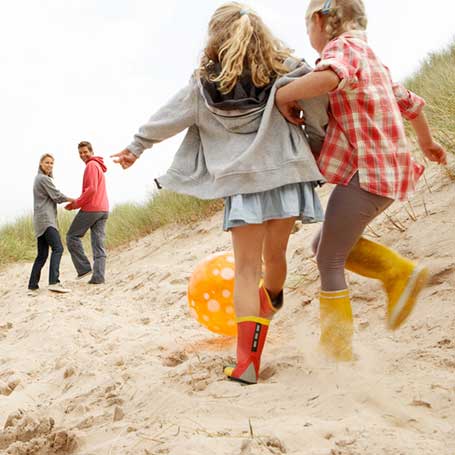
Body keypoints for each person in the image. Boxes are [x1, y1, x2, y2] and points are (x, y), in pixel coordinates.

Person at [112, 2, 328, 384]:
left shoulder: (202, 87)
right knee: (274, 257)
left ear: (214, 39)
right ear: (260, 35)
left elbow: (167, 117)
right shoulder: (288, 71)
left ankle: (246, 365)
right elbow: (318, 104)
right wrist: (315, 143)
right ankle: (273, 297)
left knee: (246, 269)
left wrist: (135, 146)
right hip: (287, 177)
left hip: (243, 186)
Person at [275, 0, 447, 361]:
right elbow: (412, 104)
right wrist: (428, 144)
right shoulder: (370, 57)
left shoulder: (342, 49)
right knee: (324, 247)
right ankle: (396, 272)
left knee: (330, 259)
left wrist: (283, 94)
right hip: (386, 171)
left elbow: (329, 77)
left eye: (308, 27)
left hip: (367, 174)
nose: (310, 37)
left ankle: (338, 351)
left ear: (321, 21)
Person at [28, 154, 73, 295]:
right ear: (40, 164)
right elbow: (57, 196)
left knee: (41, 255)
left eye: (52, 163)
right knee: (58, 248)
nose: (50, 165)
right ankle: (54, 282)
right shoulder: (43, 179)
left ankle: (32, 286)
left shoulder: (38, 179)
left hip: (39, 221)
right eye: (47, 162)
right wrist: (75, 200)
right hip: (47, 220)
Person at [65, 141, 109, 285]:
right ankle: (98, 277)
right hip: (104, 209)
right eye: (80, 153)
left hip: (92, 208)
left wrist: (76, 204)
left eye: (85, 152)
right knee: (98, 244)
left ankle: (84, 269)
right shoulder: (98, 166)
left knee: (72, 236)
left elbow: (91, 189)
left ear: (91, 151)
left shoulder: (91, 165)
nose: (83, 155)